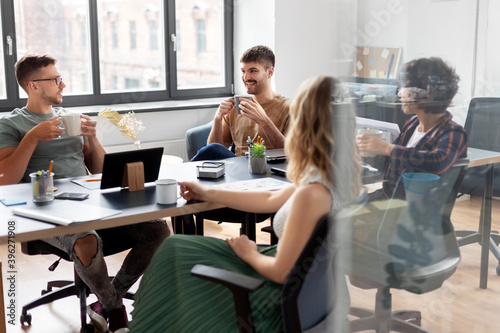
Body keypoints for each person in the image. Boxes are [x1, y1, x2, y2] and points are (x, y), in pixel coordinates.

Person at [129, 76, 363, 332]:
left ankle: (149, 325)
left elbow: (281, 273)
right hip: (316, 292)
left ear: (306, 123)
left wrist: (248, 252)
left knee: (174, 250)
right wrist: (209, 193)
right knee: (177, 248)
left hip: (279, 297)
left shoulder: (314, 193)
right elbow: (270, 198)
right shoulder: (332, 175)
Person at [0, 54, 170, 333]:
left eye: (61, 77)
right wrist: (32, 137)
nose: (62, 84)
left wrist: (92, 139)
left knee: (158, 230)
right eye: (55, 79)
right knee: (86, 238)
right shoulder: (12, 124)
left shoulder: (70, 119)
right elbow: (6, 179)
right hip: (44, 211)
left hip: (90, 202)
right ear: (33, 86)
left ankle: (106, 299)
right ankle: (115, 311)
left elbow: (100, 173)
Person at [356, 57, 468, 199]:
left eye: (405, 88)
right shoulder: (412, 124)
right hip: (391, 197)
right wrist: (371, 152)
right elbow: (394, 162)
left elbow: (437, 162)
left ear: (425, 94)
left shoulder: (453, 132)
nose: (400, 93)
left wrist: (387, 148)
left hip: (413, 209)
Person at [191, 45, 291, 160]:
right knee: (213, 149)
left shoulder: (289, 108)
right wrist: (218, 118)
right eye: (243, 71)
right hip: (237, 169)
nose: (246, 77)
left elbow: (291, 153)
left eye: (253, 71)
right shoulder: (236, 106)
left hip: (271, 169)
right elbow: (214, 151)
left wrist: (264, 121)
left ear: (270, 72)